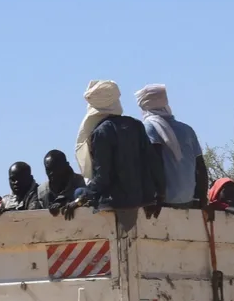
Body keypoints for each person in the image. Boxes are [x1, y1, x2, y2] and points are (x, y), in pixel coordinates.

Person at [75, 80, 164, 213]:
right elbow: (154, 163)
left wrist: (80, 200)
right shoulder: (136, 125)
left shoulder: (101, 132)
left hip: (114, 202)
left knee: (79, 193)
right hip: (141, 199)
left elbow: (102, 177)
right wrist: (160, 196)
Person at [134, 84, 207, 207]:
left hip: (164, 201)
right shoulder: (187, 129)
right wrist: (202, 199)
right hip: (188, 200)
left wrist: (157, 196)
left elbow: (154, 163)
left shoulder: (149, 126)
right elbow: (200, 166)